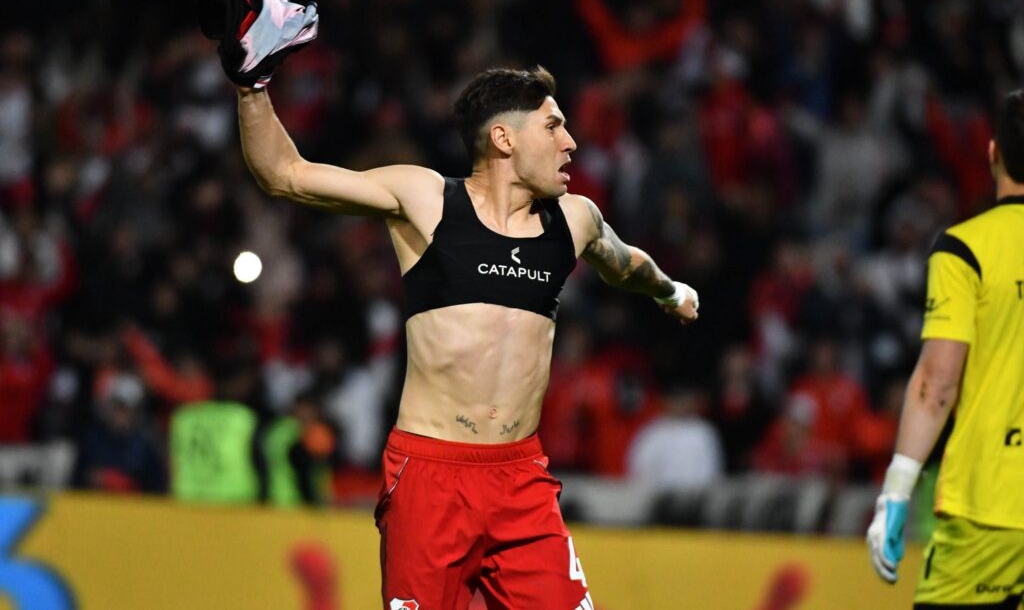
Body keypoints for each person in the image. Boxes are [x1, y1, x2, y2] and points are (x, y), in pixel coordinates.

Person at [237, 65, 698, 609]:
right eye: (553, 127)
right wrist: (251, 85)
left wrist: (669, 290)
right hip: (430, 476)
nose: (570, 143)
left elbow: (625, 263)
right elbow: (286, 174)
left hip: (522, 480)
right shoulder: (427, 199)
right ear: (504, 138)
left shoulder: (574, 220)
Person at [866, 90, 1024, 609]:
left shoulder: (965, 249)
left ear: (993, 152)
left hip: (992, 507)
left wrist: (896, 490)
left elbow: (937, 383)